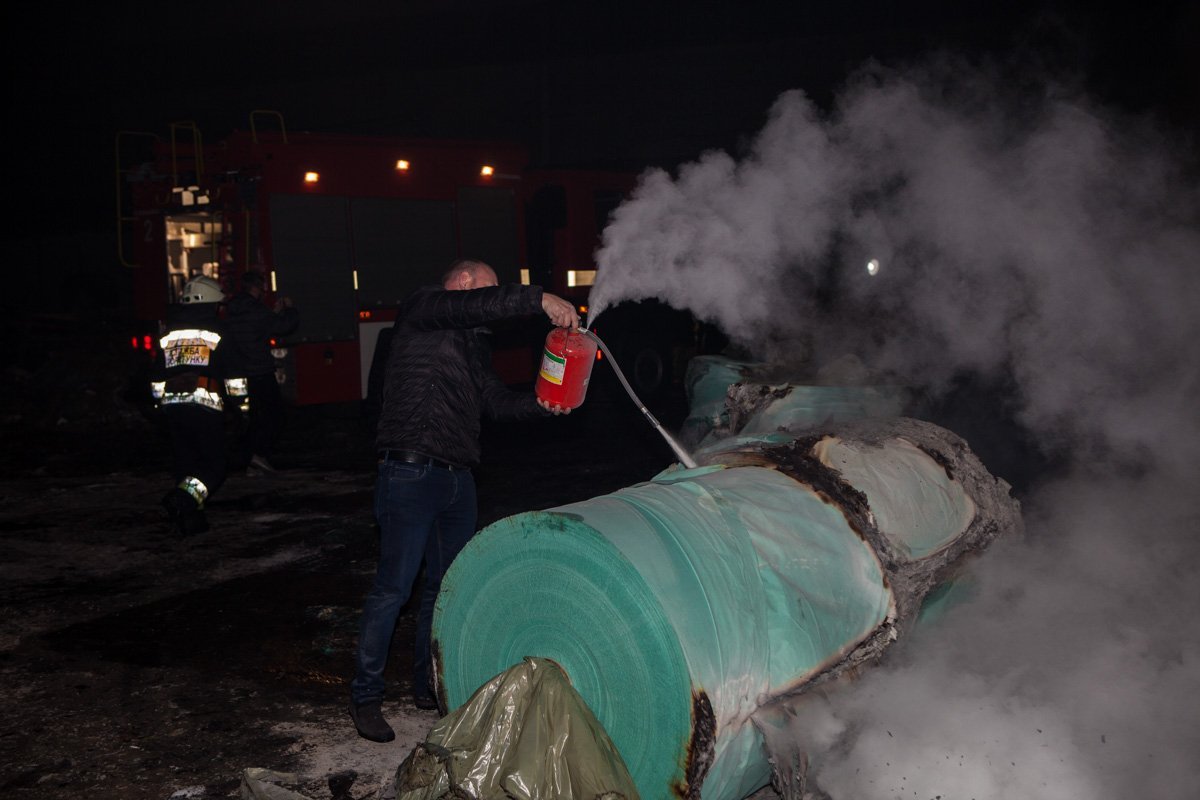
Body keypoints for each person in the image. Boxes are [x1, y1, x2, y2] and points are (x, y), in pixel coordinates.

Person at [349, 258, 579, 742]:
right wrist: (538, 297)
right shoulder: (423, 308)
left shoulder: (472, 343)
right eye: (485, 292)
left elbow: (495, 401)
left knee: (443, 590)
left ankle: (426, 686)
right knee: (394, 589)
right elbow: (478, 305)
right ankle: (366, 698)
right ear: (466, 281)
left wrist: (540, 404)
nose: (489, 306)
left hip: (458, 480)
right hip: (410, 472)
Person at [151, 275, 246, 536]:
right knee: (214, 466)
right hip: (204, 406)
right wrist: (241, 407)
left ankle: (191, 518)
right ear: (212, 303)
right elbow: (234, 376)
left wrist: (160, 406)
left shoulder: (169, 333)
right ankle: (183, 499)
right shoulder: (218, 331)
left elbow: (156, 375)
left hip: (172, 408)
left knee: (187, 463)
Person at [224, 270, 299, 473]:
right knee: (275, 416)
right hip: (260, 371)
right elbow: (283, 326)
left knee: (252, 418)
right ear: (257, 288)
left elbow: (256, 327)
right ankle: (258, 454)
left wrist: (272, 313)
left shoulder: (233, 309)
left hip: (240, 371)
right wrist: (290, 309)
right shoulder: (256, 310)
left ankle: (249, 459)